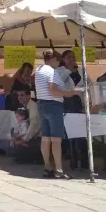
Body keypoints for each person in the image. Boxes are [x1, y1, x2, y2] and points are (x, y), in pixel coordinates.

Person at [35, 48, 78, 179]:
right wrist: (71, 93)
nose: (58, 64)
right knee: (56, 140)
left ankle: (47, 167)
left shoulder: (38, 70)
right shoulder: (51, 72)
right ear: (53, 59)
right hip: (54, 105)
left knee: (46, 138)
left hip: (42, 104)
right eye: (58, 61)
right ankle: (59, 169)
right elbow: (53, 91)